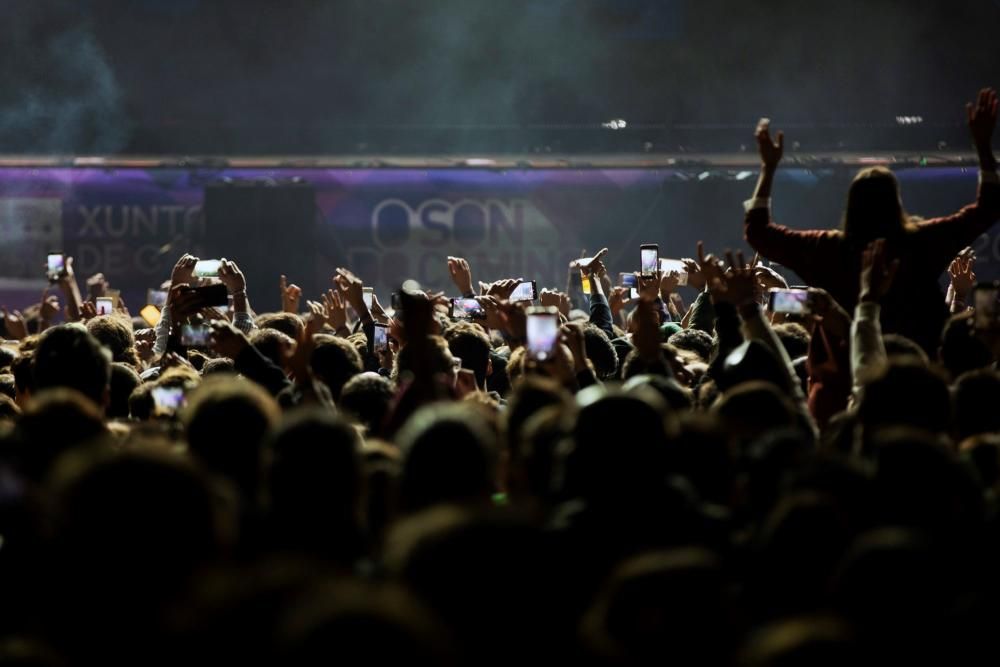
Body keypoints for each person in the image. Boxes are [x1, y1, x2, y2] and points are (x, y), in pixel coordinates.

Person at [744, 89, 1000, 353]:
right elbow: (989, 207)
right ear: (897, 204)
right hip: (917, 373)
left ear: (850, 206)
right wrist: (982, 146)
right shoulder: (919, 243)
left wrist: (768, 168)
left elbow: (758, 232)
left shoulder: (831, 250)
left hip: (850, 375)